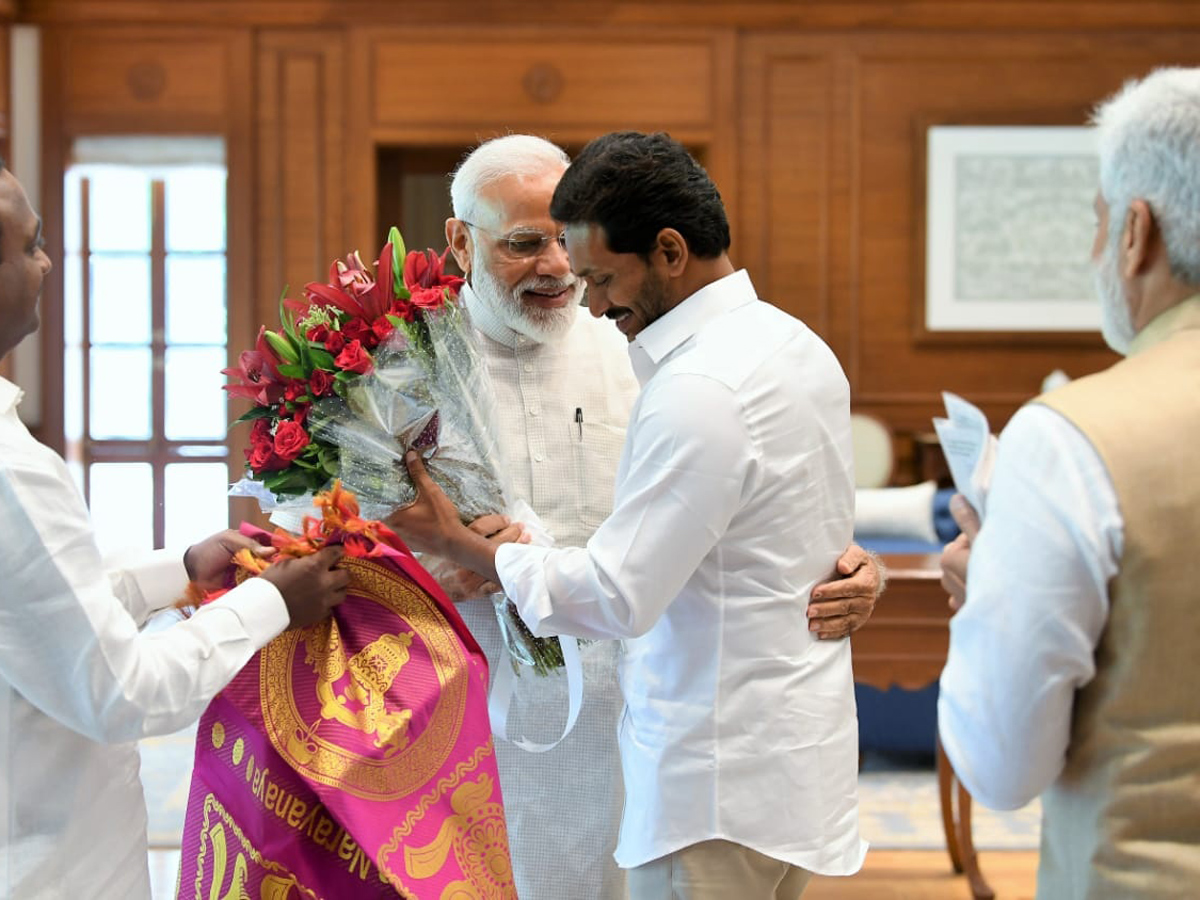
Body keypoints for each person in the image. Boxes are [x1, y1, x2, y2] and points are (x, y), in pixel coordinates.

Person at [391, 131, 868, 899]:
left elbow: (690, 545)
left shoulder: (649, 355)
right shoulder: (395, 367)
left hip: (647, 725)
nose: (562, 275)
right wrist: (422, 554)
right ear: (458, 241)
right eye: (524, 243)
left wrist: (849, 563)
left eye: (571, 252)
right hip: (470, 716)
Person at [0, 160, 350, 899]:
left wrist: (181, 570)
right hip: (52, 868)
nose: (47, 262)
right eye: (29, 246)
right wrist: (274, 605)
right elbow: (123, 693)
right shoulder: (13, 470)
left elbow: (39, 618)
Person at [938, 67, 1200, 898]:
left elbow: (1002, 765)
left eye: (1097, 224)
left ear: (1135, 233)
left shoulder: (1069, 442)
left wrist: (988, 587)